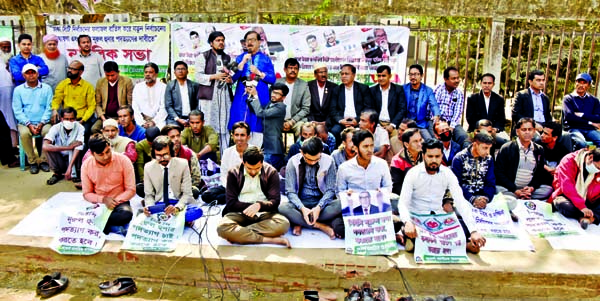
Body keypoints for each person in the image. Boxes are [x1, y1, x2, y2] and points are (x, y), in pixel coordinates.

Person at [398, 138, 487, 253]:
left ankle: (422, 244)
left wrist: (474, 231)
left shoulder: (447, 173)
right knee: (409, 229)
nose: (434, 160)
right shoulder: (413, 174)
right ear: (423, 155)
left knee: (464, 227)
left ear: (441, 156)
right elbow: (403, 203)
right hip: (417, 219)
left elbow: (460, 201)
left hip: (438, 218)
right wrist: (407, 222)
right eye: (430, 156)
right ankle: (462, 245)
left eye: (437, 156)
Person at [217, 146, 291, 247]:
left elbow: (275, 201)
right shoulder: (233, 173)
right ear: (243, 163)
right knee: (222, 227)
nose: (253, 172)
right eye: (249, 168)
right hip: (241, 213)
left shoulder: (271, 172)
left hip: (264, 214)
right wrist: (251, 207)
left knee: (283, 224)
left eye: (257, 168)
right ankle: (267, 240)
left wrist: (259, 206)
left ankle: (239, 234)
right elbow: (231, 203)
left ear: (262, 163)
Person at [280, 137, 341, 238]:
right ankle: (319, 225)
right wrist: (303, 209)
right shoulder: (293, 162)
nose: (312, 163)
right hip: (300, 202)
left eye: (316, 159)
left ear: (321, 152)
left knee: (342, 204)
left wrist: (318, 208)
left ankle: (299, 221)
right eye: (308, 159)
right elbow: (290, 192)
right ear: (301, 152)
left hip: (321, 203)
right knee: (282, 208)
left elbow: (330, 190)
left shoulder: (329, 161)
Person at [495, 118, 553, 220]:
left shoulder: (539, 149)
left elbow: (539, 173)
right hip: (510, 189)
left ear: (534, 131)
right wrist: (515, 189)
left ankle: (523, 196)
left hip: (528, 189)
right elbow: (499, 173)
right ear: (517, 131)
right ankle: (520, 197)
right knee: (496, 189)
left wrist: (531, 188)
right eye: (524, 129)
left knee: (548, 190)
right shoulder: (507, 148)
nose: (527, 132)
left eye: (530, 129)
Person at [229, 31, 276, 147]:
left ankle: (255, 158)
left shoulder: (265, 59)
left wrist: (259, 73)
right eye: (247, 40)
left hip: (259, 99)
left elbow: (272, 79)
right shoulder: (240, 58)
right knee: (240, 127)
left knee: (257, 128)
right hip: (242, 100)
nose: (250, 43)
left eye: (253, 40)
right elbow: (232, 78)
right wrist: (243, 62)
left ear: (259, 42)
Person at [82, 133, 135, 235]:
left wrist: (114, 201)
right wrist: (103, 200)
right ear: (92, 154)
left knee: (126, 214)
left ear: (110, 146)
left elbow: (131, 190)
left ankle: (99, 225)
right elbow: (87, 193)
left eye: (107, 151)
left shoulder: (123, 160)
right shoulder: (86, 165)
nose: (106, 156)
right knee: (87, 215)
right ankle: (111, 226)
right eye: (101, 154)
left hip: (120, 201)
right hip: (98, 203)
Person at [195, 31, 233, 154]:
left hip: (224, 97)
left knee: (224, 127)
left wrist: (229, 80)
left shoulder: (228, 58)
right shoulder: (203, 57)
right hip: (208, 100)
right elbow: (198, 77)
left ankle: (225, 156)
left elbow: (232, 76)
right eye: (218, 40)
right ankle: (207, 158)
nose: (221, 43)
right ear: (211, 43)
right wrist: (214, 76)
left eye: (222, 40)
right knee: (208, 128)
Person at [142, 136, 196, 221]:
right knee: (146, 214)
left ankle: (173, 218)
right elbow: (149, 195)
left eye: (166, 155)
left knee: (197, 211)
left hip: (178, 202)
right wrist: (149, 208)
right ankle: (177, 220)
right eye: (158, 156)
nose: (163, 159)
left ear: (172, 152)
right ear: (153, 155)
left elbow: (187, 194)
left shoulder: (183, 164)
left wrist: (177, 208)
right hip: (159, 204)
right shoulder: (148, 167)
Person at [12, 63, 53, 174]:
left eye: (33, 72)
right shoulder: (18, 90)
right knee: (25, 134)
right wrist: (29, 124)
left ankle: (44, 160)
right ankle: (32, 162)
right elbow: (18, 110)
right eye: (28, 73)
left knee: (48, 131)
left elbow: (49, 108)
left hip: (43, 122)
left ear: (37, 74)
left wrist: (41, 123)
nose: (31, 75)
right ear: (23, 75)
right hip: (25, 123)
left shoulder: (47, 88)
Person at [551, 148, 600, 229]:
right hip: (568, 197)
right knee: (561, 204)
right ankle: (588, 217)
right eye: (598, 167)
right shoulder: (569, 160)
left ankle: (589, 218)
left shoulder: (598, 171)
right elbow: (567, 186)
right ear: (591, 157)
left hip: (588, 199)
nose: (598, 171)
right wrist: (582, 206)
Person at [247, 82, 288, 170]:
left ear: (283, 97)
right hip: (266, 147)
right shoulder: (271, 103)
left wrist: (255, 96)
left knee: (269, 173)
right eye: (273, 92)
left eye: (277, 94)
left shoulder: (280, 107)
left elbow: (261, 113)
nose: (273, 95)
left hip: (273, 149)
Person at [51, 60, 96, 140]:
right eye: (69, 68)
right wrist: (54, 110)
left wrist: (82, 120)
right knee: (57, 133)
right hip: (66, 118)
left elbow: (91, 107)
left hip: (82, 119)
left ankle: (82, 152)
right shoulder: (63, 84)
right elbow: (56, 100)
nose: (69, 71)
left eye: (73, 69)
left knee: (84, 133)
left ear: (80, 72)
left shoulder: (88, 87)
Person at [329, 64, 373, 141]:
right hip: (342, 121)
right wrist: (341, 120)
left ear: (354, 75)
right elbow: (332, 109)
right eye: (342, 74)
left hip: (358, 121)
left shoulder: (363, 88)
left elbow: (368, 108)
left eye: (347, 74)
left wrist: (357, 120)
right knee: (334, 131)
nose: (344, 76)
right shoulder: (337, 90)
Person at [451, 132, 496, 209]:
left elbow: (490, 182)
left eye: (489, 148)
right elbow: (456, 185)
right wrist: (472, 199)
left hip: (483, 197)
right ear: (475, 145)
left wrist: (486, 198)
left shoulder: (489, 159)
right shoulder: (459, 158)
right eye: (485, 148)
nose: (488, 152)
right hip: (464, 197)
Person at [42, 107, 84, 185]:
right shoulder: (56, 127)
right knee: (48, 149)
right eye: (66, 119)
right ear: (61, 119)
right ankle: (57, 173)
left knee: (79, 148)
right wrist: (68, 147)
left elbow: (79, 146)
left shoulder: (80, 128)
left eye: (72, 119)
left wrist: (70, 168)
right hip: (60, 158)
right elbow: (45, 146)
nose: (69, 121)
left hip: (74, 160)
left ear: (75, 119)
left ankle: (76, 173)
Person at [160, 124, 202, 199]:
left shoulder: (189, 154)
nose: (176, 139)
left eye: (178, 136)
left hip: (184, 188)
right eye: (172, 137)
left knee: (194, 192)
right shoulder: (159, 154)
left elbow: (196, 179)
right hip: (165, 187)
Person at [92, 61, 133, 134]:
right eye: (107, 75)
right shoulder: (100, 82)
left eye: (112, 75)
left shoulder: (127, 82)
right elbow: (98, 104)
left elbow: (130, 104)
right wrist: (103, 119)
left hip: (121, 117)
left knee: (120, 131)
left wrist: (120, 119)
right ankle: (104, 145)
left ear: (118, 72)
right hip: (105, 117)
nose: (110, 78)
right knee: (94, 129)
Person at [433, 66, 469, 148]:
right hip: (437, 121)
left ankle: (464, 158)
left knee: (464, 137)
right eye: (453, 78)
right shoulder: (438, 89)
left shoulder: (459, 93)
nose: (457, 81)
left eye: (458, 78)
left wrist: (451, 127)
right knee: (436, 137)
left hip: (452, 122)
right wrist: (439, 124)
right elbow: (433, 109)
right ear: (446, 79)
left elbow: (457, 113)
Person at [562, 72, 600, 148]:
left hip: (590, 130)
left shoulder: (594, 100)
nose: (581, 85)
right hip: (574, 128)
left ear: (588, 85)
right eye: (579, 82)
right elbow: (570, 117)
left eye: (584, 83)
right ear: (575, 83)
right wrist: (590, 122)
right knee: (581, 143)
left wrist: (582, 115)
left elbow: (598, 118)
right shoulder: (568, 98)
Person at [403, 64, 440, 140]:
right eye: (411, 74)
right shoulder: (403, 89)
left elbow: (434, 105)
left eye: (416, 74)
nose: (413, 77)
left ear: (421, 75)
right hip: (405, 124)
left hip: (420, 124)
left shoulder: (427, 90)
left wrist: (436, 115)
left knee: (429, 141)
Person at [465, 73, 507, 140]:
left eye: (489, 83)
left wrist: (495, 129)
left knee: (506, 143)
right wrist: (482, 129)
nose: (487, 85)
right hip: (477, 131)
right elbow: (470, 118)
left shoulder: (499, 99)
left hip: (493, 132)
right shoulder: (472, 98)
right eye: (485, 83)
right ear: (481, 83)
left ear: (493, 84)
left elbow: (501, 119)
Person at [276, 58, 311, 137]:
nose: (293, 70)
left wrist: (292, 121)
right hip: (278, 119)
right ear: (285, 69)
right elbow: (271, 104)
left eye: (295, 68)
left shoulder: (303, 85)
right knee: (270, 127)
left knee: (302, 129)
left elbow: (306, 108)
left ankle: (300, 149)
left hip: (296, 121)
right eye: (290, 68)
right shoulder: (277, 83)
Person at [512, 70, 552, 135]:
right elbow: (516, 115)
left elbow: (548, 117)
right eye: (538, 80)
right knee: (538, 138)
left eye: (543, 80)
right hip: (528, 127)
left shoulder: (545, 98)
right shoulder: (521, 95)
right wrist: (533, 124)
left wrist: (548, 127)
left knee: (564, 136)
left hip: (544, 127)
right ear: (530, 81)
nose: (541, 83)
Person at [370, 65, 407, 135]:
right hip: (377, 125)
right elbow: (371, 109)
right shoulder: (372, 90)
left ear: (389, 76)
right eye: (379, 76)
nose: (381, 78)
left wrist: (392, 125)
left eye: (383, 76)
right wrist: (377, 125)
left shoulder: (398, 90)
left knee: (396, 142)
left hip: (393, 125)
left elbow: (402, 109)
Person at [132, 62, 167, 130]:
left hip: (159, 121)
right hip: (142, 121)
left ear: (156, 74)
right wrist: (142, 122)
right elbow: (135, 107)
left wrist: (154, 121)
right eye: (146, 72)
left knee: (159, 133)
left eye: (150, 72)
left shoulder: (163, 87)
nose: (147, 74)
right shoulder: (138, 87)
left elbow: (164, 107)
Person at [165, 61, 200, 128]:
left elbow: (197, 103)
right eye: (178, 69)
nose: (180, 71)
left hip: (192, 119)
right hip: (175, 119)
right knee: (173, 133)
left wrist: (193, 118)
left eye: (183, 69)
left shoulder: (194, 85)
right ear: (174, 72)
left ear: (187, 72)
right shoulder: (170, 85)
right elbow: (168, 106)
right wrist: (177, 119)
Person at [390, 128, 423, 195]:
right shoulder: (397, 161)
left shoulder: (427, 155)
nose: (420, 144)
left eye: (420, 140)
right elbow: (396, 186)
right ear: (406, 144)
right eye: (415, 141)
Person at [221, 121, 253, 187]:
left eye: (242, 135)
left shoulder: (254, 152)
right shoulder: (227, 152)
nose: (239, 138)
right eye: (236, 135)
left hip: (249, 187)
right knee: (209, 195)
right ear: (232, 136)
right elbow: (224, 175)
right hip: (231, 187)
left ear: (248, 137)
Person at [0, 37, 17, 151]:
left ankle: (13, 146)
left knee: (12, 120)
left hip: (13, 94)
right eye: (3, 47)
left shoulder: (14, 60)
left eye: (8, 46)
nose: (6, 49)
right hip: (2, 95)